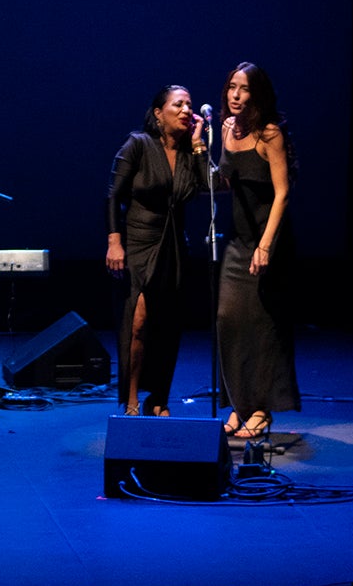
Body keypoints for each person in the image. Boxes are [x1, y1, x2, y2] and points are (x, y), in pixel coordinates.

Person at [106, 85, 209, 417]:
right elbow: (113, 196)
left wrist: (197, 141)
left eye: (189, 106)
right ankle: (133, 400)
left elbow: (207, 188)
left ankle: (159, 399)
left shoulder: (189, 155)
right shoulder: (138, 144)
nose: (185, 110)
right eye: (177, 105)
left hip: (175, 247)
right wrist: (114, 241)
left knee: (168, 326)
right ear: (158, 113)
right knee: (137, 323)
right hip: (138, 241)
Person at [216, 62, 298, 440]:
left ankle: (262, 409)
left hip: (267, 239)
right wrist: (203, 153)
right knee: (229, 318)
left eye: (243, 88)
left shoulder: (270, 135)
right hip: (237, 237)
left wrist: (265, 246)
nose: (235, 95)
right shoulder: (227, 129)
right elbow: (223, 181)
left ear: (257, 94)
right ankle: (240, 402)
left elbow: (282, 192)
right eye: (232, 86)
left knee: (262, 324)